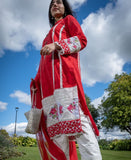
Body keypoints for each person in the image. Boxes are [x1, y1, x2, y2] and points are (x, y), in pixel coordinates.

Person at [30, 0, 102, 159]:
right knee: (57, 136)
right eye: (52, 4)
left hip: (66, 82)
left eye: (59, 2)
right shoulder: (46, 37)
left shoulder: (68, 21)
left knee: (80, 126)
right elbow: (43, 64)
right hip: (49, 91)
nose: (55, 5)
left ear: (65, 7)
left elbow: (81, 40)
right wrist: (36, 82)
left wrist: (56, 45)